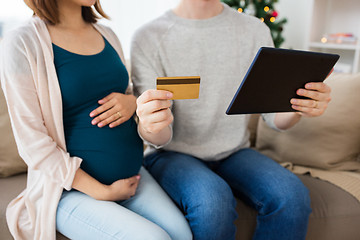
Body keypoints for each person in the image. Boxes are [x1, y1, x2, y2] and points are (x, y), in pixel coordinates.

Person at [131, 0, 332, 240]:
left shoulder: (254, 30)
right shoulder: (148, 37)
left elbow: (274, 118)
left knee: (292, 196)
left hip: (234, 151)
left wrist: (300, 106)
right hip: (172, 154)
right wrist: (150, 125)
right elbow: (160, 139)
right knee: (212, 202)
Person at [0, 0, 192, 239]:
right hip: (68, 192)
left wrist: (132, 101)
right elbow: (32, 143)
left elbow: (127, 92)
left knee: (183, 235)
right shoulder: (21, 42)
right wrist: (101, 192)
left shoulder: (107, 34)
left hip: (132, 176)